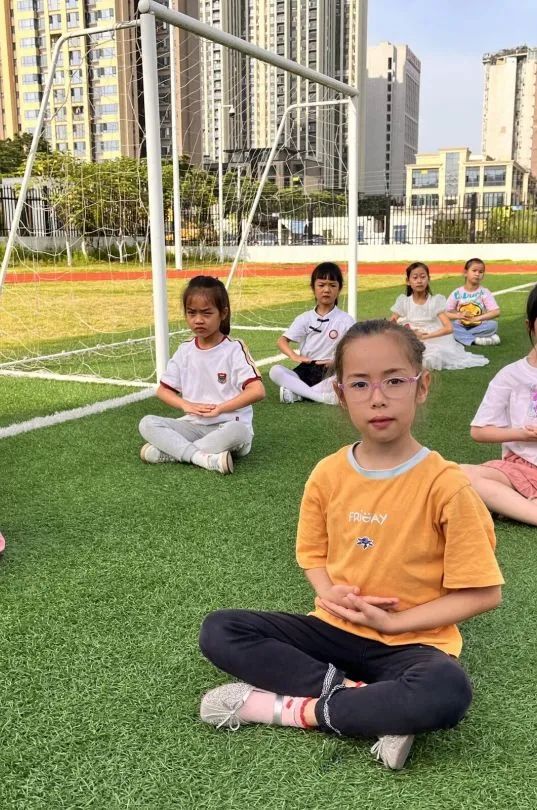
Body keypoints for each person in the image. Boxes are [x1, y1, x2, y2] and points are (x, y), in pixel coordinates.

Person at [198, 320, 503, 770]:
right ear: (341, 395)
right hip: (333, 628)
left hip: (412, 643)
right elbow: (313, 555)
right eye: (360, 384)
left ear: (422, 387)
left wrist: (398, 625)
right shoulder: (327, 473)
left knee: (446, 691)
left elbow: (483, 592)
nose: (377, 398)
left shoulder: (447, 486)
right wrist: (326, 591)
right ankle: (372, 707)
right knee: (220, 629)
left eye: (395, 380)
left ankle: (286, 709)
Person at [139, 276, 265, 475]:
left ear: (223, 313)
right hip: (194, 426)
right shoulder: (185, 350)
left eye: (206, 313)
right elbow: (163, 390)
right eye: (192, 313)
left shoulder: (234, 349)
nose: (198, 320)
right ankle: (203, 458)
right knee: (147, 423)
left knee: (239, 432)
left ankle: (170, 452)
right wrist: (185, 405)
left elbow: (257, 391)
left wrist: (220, 409)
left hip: (228, 427)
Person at [461, 283, 537, 526]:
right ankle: (529, 507)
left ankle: (515, 505)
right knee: (457, 474)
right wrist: (523, 434)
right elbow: (479, 431)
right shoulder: (511, 375)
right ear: (530, 326)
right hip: (522, 468)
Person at [269, 262, 355, 404]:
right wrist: (295, 356)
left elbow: (355, 349)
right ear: (313, 288)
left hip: (331, 370)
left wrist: (336, 361)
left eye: (332, 285)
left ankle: (298, 393)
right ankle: (321, 397)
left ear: (339, 289)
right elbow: (282, 341)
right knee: (275, 371)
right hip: (307, 369)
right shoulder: (305, 318)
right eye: (321, 285)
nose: (326, 290)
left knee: (346, 378)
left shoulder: (346, 320)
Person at [390, 262, 488, 370]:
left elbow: (448, 328)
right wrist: (410, 333)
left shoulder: (435, 301)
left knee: (431, 358)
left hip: (433, 338)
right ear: (408, 281)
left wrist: (425, 337)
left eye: (423, 277)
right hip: (411, 337)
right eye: (415, 277)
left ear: (428, 279)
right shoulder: (404, 301)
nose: (419, 281)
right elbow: (391, 323)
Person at [446, 258, 501, 346]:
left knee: (493, 325)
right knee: (448, 326)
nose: (477, 274)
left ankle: (462, 337)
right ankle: (477, 340)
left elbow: (496, 312)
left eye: (481, 272)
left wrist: (476, 319)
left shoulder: (484, 292)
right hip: (460, 325)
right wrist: (458, 315)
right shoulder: (457, 292)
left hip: (479, 325)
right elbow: (446, 312)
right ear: (465, 273)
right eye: (474, 270)